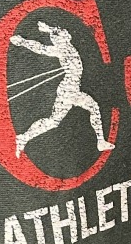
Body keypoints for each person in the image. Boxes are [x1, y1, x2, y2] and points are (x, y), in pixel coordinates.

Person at [10, 21, 114, 157]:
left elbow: (58, 31)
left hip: (70, 89)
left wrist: (48, 29)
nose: (67, 32)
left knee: (54, 121)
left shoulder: (66, 44)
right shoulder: (60, 49)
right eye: (64, 33)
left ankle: (24, 137)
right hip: (69, 90)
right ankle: (100, 141)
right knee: (91, 108)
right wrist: (23, 42)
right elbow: (40, 48)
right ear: (60, 39)